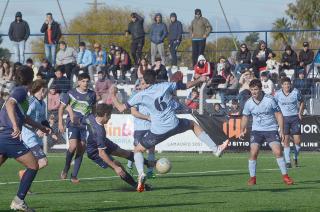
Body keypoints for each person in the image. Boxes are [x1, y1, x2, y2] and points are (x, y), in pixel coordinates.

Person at [111, 70, 230, 192]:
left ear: (146, 83)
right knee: (193, 125)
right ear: (155, 79)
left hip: (158, 130)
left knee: (137, 150)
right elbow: (186, 86)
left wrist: (113, 95)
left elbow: (120, 108)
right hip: (174, 124)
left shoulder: (140, 95)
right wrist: (199, 80)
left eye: (142, 82)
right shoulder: (165, 85)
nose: (141, 84)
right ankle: (216, 149)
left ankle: (141, 173)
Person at [0, 66, 50, 211]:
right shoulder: (21, 90)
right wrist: (15, 126)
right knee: (34, 165)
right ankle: (18, 201)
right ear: (31, 77)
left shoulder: (21, 92)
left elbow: (24, 117)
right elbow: (10, 104)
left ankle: (19, 201)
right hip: (10, 136)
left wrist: (40, 127)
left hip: (3, 135)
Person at [85, 103, 151, 190]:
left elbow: (80, 121)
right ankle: (136, 186)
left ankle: (148, 163)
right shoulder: (100, 131)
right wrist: (115, 168)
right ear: (105, 114)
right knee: (118, 165)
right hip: (94, 151)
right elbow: (101, 153)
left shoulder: (90, 117)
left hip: (103, 142)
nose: (110, 118)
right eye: (109, 115)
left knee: (123, 152)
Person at [240, 79, 294, 186]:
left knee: (278, 152)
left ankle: (286, 177)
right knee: (253, 153)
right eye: (252, 90)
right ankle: (252, 178)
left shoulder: (270, 100)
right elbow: (245, 116)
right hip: (257, 131)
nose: (254, 92)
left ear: (260, 89)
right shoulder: (249, 102)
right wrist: (242, 129)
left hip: (271, 130)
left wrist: (282, 131)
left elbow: (278, 114)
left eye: (256, 89)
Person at [58, 72, 96, 183]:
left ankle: (74, 176)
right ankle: (66, 168)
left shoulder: (92, 95)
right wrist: (60, 123)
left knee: (82, 147)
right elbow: (61, 108)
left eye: (87, 81)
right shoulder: (70, 93)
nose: (85, 83)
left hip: (85, 124)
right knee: (73, 146)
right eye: (83, 81)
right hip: (73, 124)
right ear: (78, 82)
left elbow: (93, 109)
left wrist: (94, 122)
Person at [20, 80, 54, 188]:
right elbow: (24, 120)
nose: (45, 93)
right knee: (43, 162)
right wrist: (36, 130)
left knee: (33, 164)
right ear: (38, 90)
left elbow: (43, 120)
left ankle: (25, 185)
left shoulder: (42, 103)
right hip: (28, 137)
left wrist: (49, 128)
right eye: (43, 90)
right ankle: (23, 174)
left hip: (35, 137)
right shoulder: (31, 102)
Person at [274, 77, 304, 168]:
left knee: (297, 141)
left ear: (290, 84)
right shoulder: (278, 94)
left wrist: (300, 112)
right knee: (285, 140)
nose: (287, 85)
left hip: (294, 117)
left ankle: (295, 157)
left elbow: (302, 101)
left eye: (288, 84)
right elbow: (274, 105)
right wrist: (277, 116)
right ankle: (287, 161)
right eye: (285, 84)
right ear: (282, 85)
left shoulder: (296, 92)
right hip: (284, 119)